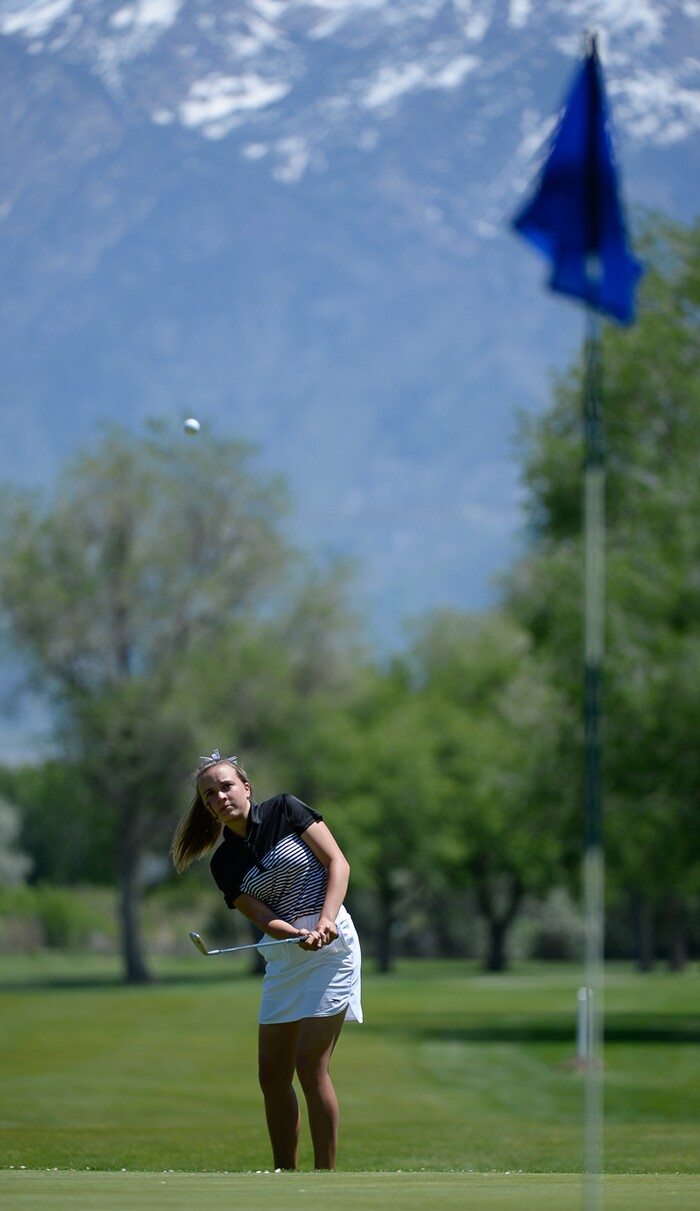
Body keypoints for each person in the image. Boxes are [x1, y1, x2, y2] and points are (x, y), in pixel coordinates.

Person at [171, 750, 362, 1171]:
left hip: (333, 947)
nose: (219, 797)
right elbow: (261, 916)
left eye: (225, 786)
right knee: (272, 1077)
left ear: (246, 787)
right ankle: (284, 1177)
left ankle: (326, 1177)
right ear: (207, 809)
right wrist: (295, 934)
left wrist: (326, 920)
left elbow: (337, 863)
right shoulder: (224, 863)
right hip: (286, 951)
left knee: (310, 1066)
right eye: (209, 796)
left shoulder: (286, 810)